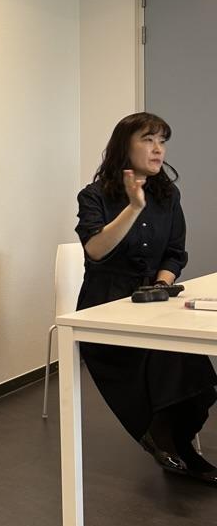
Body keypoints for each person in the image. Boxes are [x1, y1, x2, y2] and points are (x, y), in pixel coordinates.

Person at [75, 112, 217, 484]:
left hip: (152, 298)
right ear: (126, 146)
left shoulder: (168, 195)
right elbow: (95, 251)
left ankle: (175, 440)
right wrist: (133, 206)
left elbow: (174, 251)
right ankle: (165, 437)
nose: (158, 149)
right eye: (148, 139)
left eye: (162, 141)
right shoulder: (93, 196)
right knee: (164, 353)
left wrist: (163, 282)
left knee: (190, 360)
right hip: (104, 306)